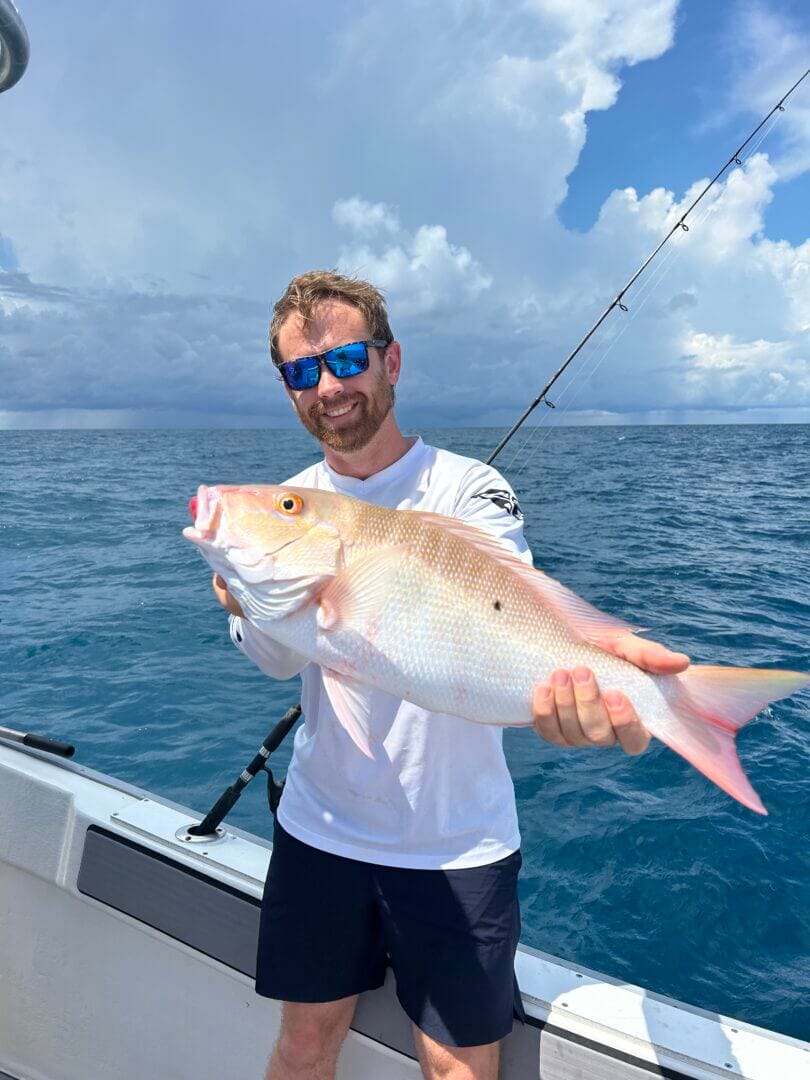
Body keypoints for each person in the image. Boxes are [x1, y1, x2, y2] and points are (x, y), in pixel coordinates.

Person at [214, 270, 689, 1080]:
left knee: (459, 1070)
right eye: (302, 371)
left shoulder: (470, 488)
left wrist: (586, 683)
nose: (327, 387)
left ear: (391, 362)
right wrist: (253, 600)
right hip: (321, 829)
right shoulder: (285, 504)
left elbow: (510, 597)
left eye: (348, 359)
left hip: (457, 845)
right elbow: (276, 660)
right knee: (301, 1044)